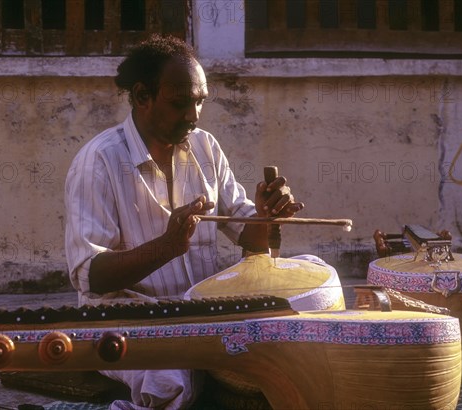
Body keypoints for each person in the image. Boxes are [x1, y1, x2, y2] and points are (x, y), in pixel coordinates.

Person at [64, 34, 304, 410]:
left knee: (307, 289)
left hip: (201, 315)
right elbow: (89, 276)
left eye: (199, 102)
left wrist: (265, 216)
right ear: (143, 96)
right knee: (170, 381)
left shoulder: (205, 147)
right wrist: (166, 247)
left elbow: (252, 240)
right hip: (127, 318)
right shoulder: (99, 162)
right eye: (180, 104)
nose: (193, 116)